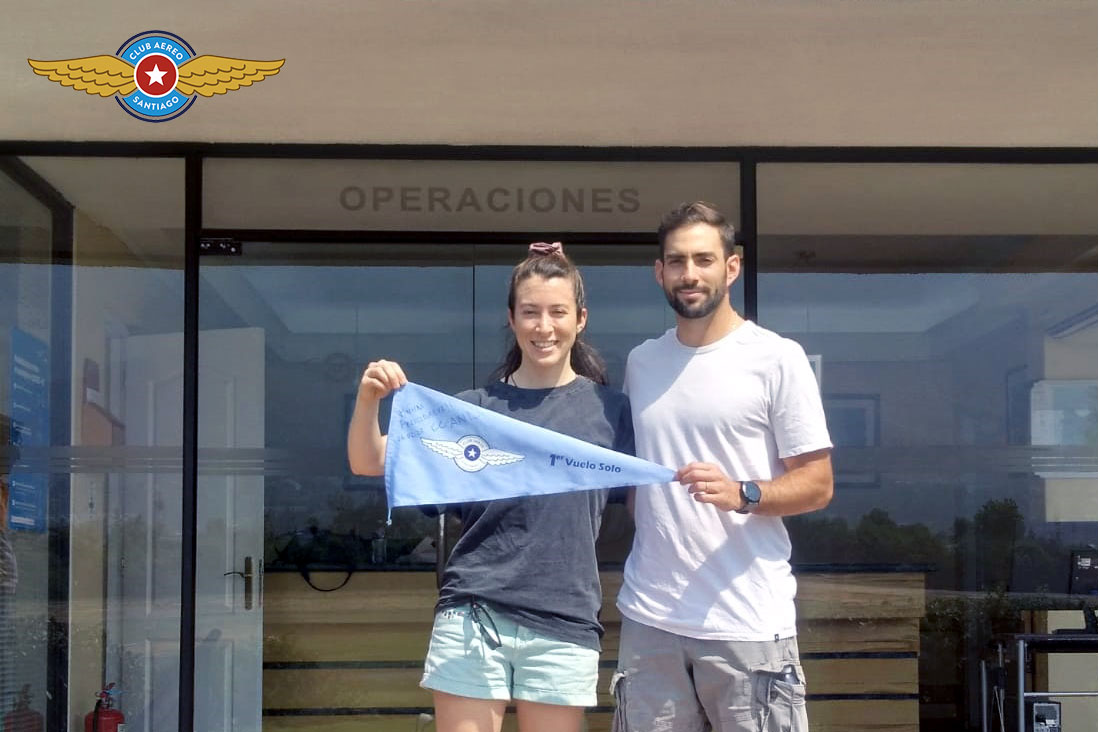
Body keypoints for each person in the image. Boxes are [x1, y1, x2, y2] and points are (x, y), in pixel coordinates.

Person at [347, 242, 634, 732]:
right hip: (473, 615)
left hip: (565, 620)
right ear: (512, 318)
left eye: (557, 312)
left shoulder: (613, 413)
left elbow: (652, 500)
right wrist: (369, 397)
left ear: (580, 319)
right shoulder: (473, 411)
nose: (544, 327)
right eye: (530, 312)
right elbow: (368, 460)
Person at [612, 202, 834, 732]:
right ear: (659, 272)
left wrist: (743, 493)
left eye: (703, 260)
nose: (690, 274)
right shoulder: (641, 362)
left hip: (747, 621)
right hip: (650, 620)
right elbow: (636, 481)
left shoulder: (777, 358)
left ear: (731, 267)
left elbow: (818, 484)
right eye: (677, 261)